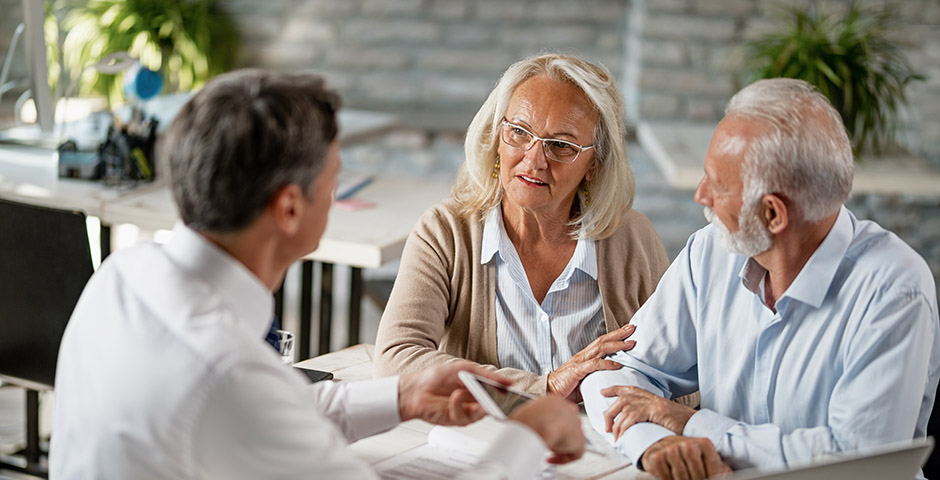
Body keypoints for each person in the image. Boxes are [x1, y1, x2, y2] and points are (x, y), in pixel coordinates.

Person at [49, 69, 588, 479]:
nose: (337, 193)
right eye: (333, 179)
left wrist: (402, 397)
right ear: (289, 209)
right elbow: (248, 402)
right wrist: (525, 437)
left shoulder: (121, 276)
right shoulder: (228, 372)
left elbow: (271, 409)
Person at [580, 77, 940, 480]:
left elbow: (856, 463)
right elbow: (612, 374)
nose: (700, 195)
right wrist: (654, 443)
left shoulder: (894, 290)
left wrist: (691, 424)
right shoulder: (711, 252)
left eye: (717, 185)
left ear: (772, 214)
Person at [374, 54, 670, 400]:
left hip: (602, 447)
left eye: (561, 145)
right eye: (518, 132)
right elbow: (395, 360)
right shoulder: (445, 233)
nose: (534, 160)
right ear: (497, 136)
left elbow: (680, 377)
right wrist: (543, 388)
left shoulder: (633, 239)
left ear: (595, 162)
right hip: (484, 443)